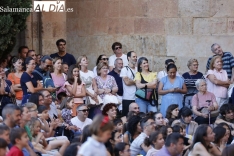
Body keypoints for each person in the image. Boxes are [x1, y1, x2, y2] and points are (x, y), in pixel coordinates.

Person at [120, 51, 137, 116]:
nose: (135, 58)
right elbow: (127, 82)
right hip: (127, 98)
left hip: (137, 98)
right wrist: (136, 81)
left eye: (136, 57)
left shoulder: (138, 69)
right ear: (129, 58)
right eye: (133, 57)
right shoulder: (124, 69)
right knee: (126, 117)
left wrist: (131, 80)